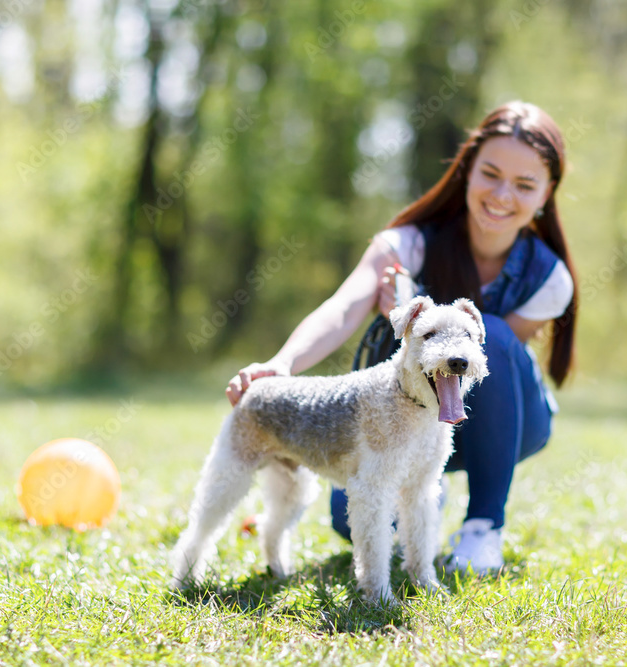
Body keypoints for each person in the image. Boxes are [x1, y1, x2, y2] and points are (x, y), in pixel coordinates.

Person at [226, 101, 578, 574]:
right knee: (355, 520)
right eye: (490, 173)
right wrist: (283, 363)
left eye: (524, 184)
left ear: (547, 193)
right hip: (403, 414)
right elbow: (343, 307)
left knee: (491, 333)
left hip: (508, 420)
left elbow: (498, 363)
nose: (501, 194)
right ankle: (425, 484)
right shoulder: (409, 243)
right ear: (467, 169)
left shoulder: (550, 278)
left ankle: (482, 526)